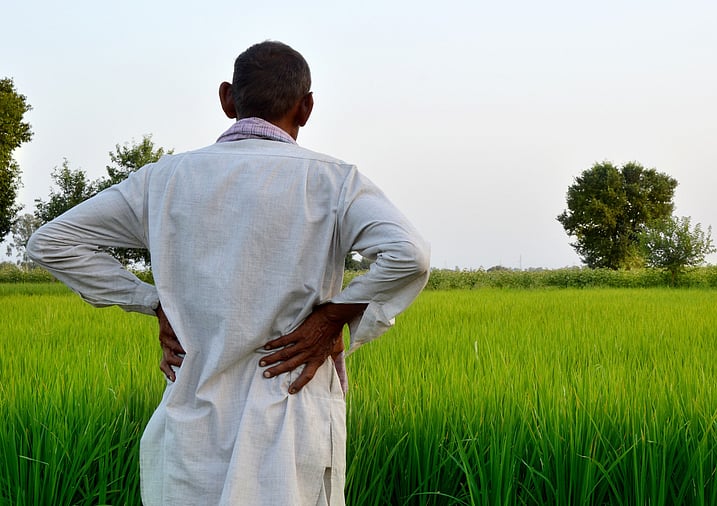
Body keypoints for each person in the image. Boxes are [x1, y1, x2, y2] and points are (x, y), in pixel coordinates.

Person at [27, 40, 430, 505]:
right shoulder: (333, 181)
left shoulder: (165, 180)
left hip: (191, 435)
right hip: (290, 421)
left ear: (227, 99)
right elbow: (409, 254)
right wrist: (333, 316)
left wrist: (152, 301)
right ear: (307, 107)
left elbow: (51, 242)